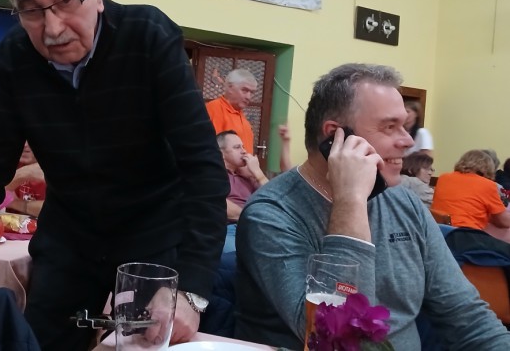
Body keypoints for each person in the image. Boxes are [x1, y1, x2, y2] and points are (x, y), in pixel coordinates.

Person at [0, 0, 229, 350]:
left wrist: (192, 290)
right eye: (30, 10)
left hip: (154, 236)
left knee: (144, 344)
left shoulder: (148, 37)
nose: (52, 28)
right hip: (69, 242)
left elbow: (203, 167)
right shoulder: (12, 60)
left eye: (66, 0)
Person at [234, 63, 510, 350]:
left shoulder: (405, 202)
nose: (407, 141)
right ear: (336, 137)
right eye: (390, 127)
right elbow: (333, 340)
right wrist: (351, 200)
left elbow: (466, 315)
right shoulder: (271, 215)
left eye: (405, 127)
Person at [217, 130, 269, 253]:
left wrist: (257, 173)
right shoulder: (215, 175)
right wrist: (253, 218)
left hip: (258, 228)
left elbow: (275, 197)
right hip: (229, 229)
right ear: (221, 154)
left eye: (243, 147)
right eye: (237, 147)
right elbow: (218, 204)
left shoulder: (248, 176)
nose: (244, 151)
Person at [432, 150, 510, 230]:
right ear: (488, 167)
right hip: (466, 233)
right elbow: (505, 222)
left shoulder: (443, 178)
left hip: (438, 231)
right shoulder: (487, 185)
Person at [205, 69, 258, 155]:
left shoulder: (240, 115)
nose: (248, 97)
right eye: (244, 90)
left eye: (252, 92)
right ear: (230, 87)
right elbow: (212, 150)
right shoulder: (215, 109)